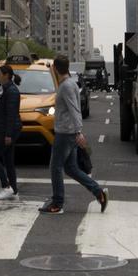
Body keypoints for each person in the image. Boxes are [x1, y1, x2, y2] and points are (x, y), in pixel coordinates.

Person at [41, 55, 107, 215]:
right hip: (68, 131)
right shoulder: (69, 84)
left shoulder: (66, 86)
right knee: (70, 168)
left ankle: (57, 203)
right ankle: (98, 193)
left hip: (66, 133)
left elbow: (74, 109)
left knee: (55, 167)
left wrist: (79, 131)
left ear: (55, 68)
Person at [0, 63, 21, 200]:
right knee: (8, 161)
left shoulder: (12, 91)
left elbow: (11, 115)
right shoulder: (3, 89)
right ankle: (13, 190)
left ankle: (6, 186)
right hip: (2, 129)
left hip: (8, 130)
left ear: (6, 75)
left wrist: (8, 135)